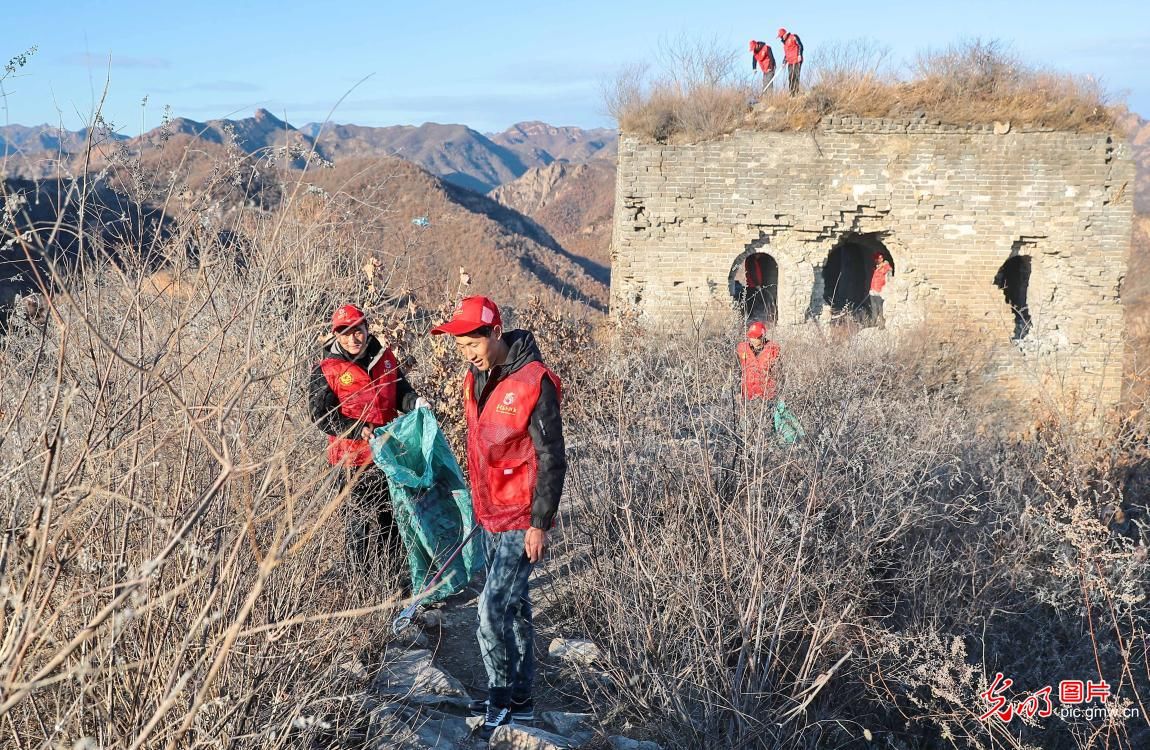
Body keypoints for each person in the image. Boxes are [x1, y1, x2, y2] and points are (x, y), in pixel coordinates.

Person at [430, 296, 566, 738]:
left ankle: (499, 701)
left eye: (473, 341)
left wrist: (539, 523)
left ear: (495, 331)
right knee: (515, 608)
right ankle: (522, 704)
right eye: (461, 344)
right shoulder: (476, 377)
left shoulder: (534, 382)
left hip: (522, 519)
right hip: (489, 514)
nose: (467, 351)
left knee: (490, 612)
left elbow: (552, 458)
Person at [309, 303, 427, 589]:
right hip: (350, 460)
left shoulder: (384, 358)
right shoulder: (326, 369)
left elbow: (400, 391)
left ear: (366, 328)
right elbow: (320, 414)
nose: (352, 339)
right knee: (358, 525)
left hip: (387, 456)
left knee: (393, 520)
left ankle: (395, 583)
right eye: (345, 333)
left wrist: (415, 403)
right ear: (336, 335)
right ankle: (360, 589)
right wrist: (356, 429)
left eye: (357, 331)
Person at [736, 320, 781, 402]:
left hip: (767, 396)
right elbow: (738, 371)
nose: (752, 340)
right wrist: (738, 391)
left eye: (755, 337)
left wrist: (778, 394)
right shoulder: (742, 349)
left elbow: (779, 373)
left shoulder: (772, 350)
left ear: (762, 337)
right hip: (747, 395)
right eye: (751, 336)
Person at [778, 28, 804, 95]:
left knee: (796, 76)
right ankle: (791, 93)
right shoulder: (785, 44)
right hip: (790, 61)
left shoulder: (793, 37)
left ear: (784, 34)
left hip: (796, 60)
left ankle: (796, 92)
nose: (781, 38)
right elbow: (786, 54)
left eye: (781, 36)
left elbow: (800, 46)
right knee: (790, 77)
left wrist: (799, 55)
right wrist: (784, 61)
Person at [869, 251, 892, 328]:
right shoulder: (876, 267)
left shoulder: (886, 266)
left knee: (880, 308)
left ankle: (882, 324)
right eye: (876, 258)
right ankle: (873, 324)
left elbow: (889, 276)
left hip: (880, 291)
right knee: (874, 309)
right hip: (873, 291)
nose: (878, 260)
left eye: (879, 258)